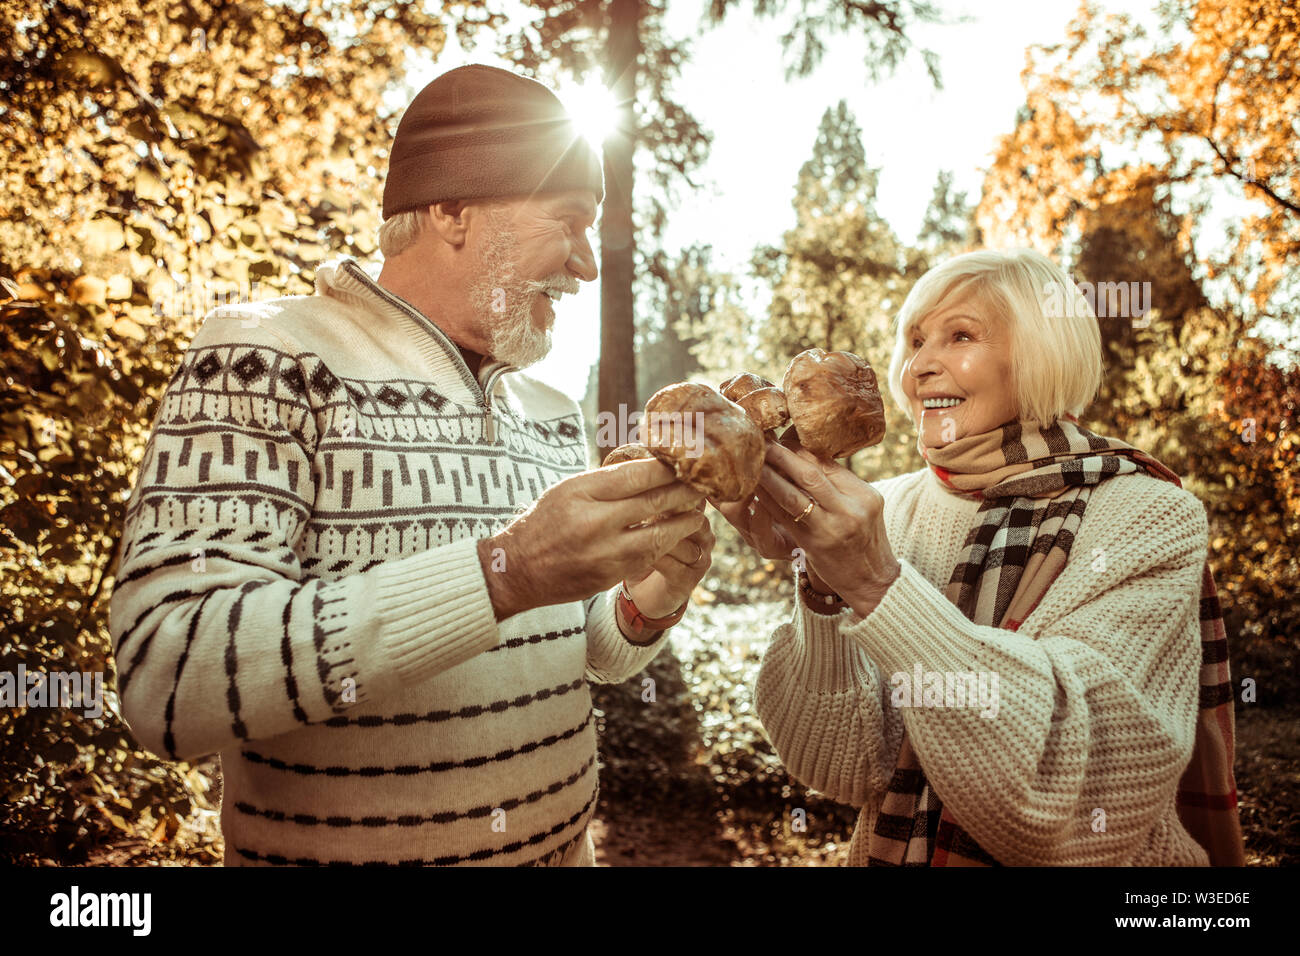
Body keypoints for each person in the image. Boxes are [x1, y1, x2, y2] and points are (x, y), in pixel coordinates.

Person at [108, 64, 714, 866]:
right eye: (569, 222)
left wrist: (654, 594)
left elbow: (582, 652)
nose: (586, 266)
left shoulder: (551, 408)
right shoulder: (264, 355)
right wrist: (506, 571)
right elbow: (170, 678)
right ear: (452, 209)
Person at [716, 249, 1245, 866]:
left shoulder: (1149, 515)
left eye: (960, 335)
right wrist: (825, 586)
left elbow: (1074, 802)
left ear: (1041, 353)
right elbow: (843, 766)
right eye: (914, 341)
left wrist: (880, 585)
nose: (920, 367)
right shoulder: (886, 508)